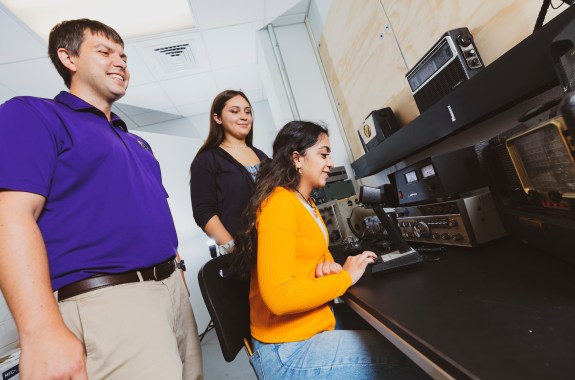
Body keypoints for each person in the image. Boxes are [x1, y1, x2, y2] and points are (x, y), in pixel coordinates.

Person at [0, 19, 202, 380]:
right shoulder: (34, 115)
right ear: (69, 58)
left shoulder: (136, 142)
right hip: (107, 300)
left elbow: (154, 220)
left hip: (172, 292)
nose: (121, 62)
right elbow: (10, 217)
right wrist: (39, 331)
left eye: (124, 55)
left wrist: (178, 279)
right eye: (105, 52)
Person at [232, 121, 429, 379]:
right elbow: (279, 297)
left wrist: (326, 267)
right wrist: (345, 278)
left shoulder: (305, 202)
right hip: (285, 351)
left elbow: (308, 252)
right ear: (297, 159)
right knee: (414, 361)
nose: (331, 163)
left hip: (308, 332)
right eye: (323, 154)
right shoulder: (279, 205)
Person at [189, 90, 268, 255]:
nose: (244, 116)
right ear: (217, 118)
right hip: (243, 257)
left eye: (247, 112)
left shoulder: (264, 157)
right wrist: (234, 249)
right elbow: (204, 212)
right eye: (234, 111)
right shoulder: (206, 160)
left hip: (276, 246)